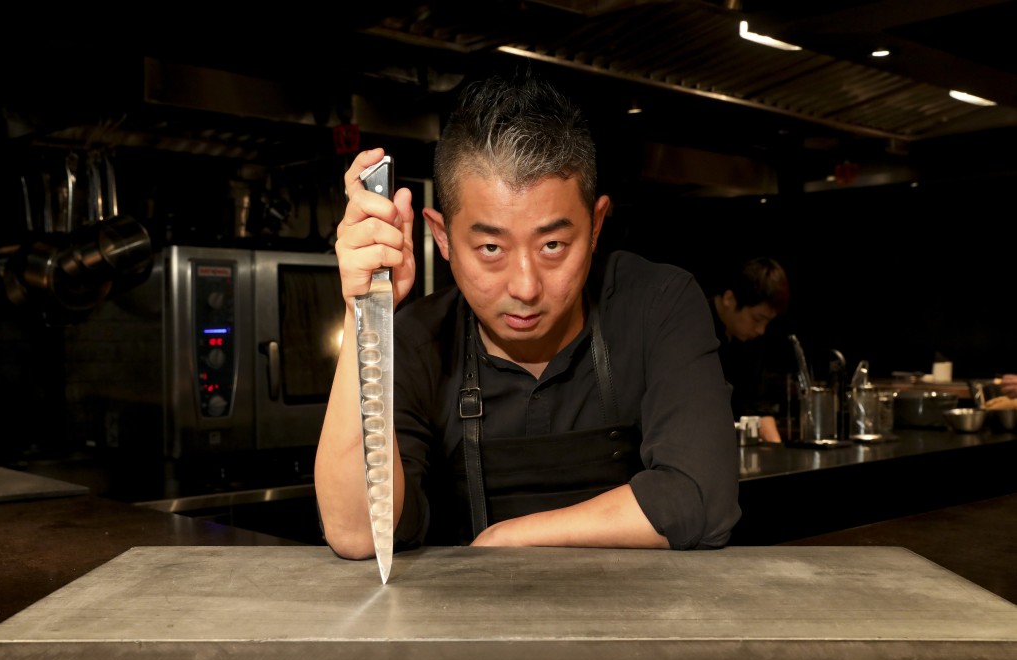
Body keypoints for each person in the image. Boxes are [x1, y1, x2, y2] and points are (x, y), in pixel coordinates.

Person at [315, 70, 740, 559]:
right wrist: (364, 313)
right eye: (491, 247)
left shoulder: (658, 304)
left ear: (596, 225)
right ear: (442, 237)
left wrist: (509, 536)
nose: (525, 286)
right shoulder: (415, 341)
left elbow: (701, 498)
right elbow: (358, 533)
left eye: (554, 245)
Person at [707, 256, 791, 443]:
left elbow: (758, 404)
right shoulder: (691, 328)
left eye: (767, 322)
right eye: (757, 319)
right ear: (729, 298)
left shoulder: (750, 338)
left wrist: (777, 452)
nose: (761, 330)